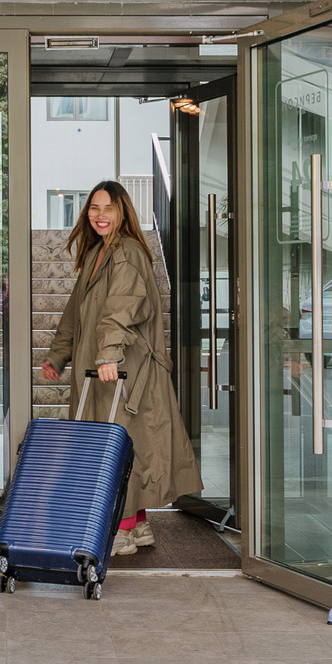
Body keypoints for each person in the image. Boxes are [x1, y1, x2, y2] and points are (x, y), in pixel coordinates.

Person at [41, 181, 203, 556]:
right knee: (128, 446)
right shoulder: (98, 253)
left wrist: (109, 354)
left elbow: (123, 306)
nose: (99, 215)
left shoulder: (126, 252)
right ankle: (138, 524)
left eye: (108, 208)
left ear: (122, 212)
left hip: (125, 371)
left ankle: (121, 530)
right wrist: (57, 356)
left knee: (117, 447)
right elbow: (74, 313)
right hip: (105, 371)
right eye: (93, 208)